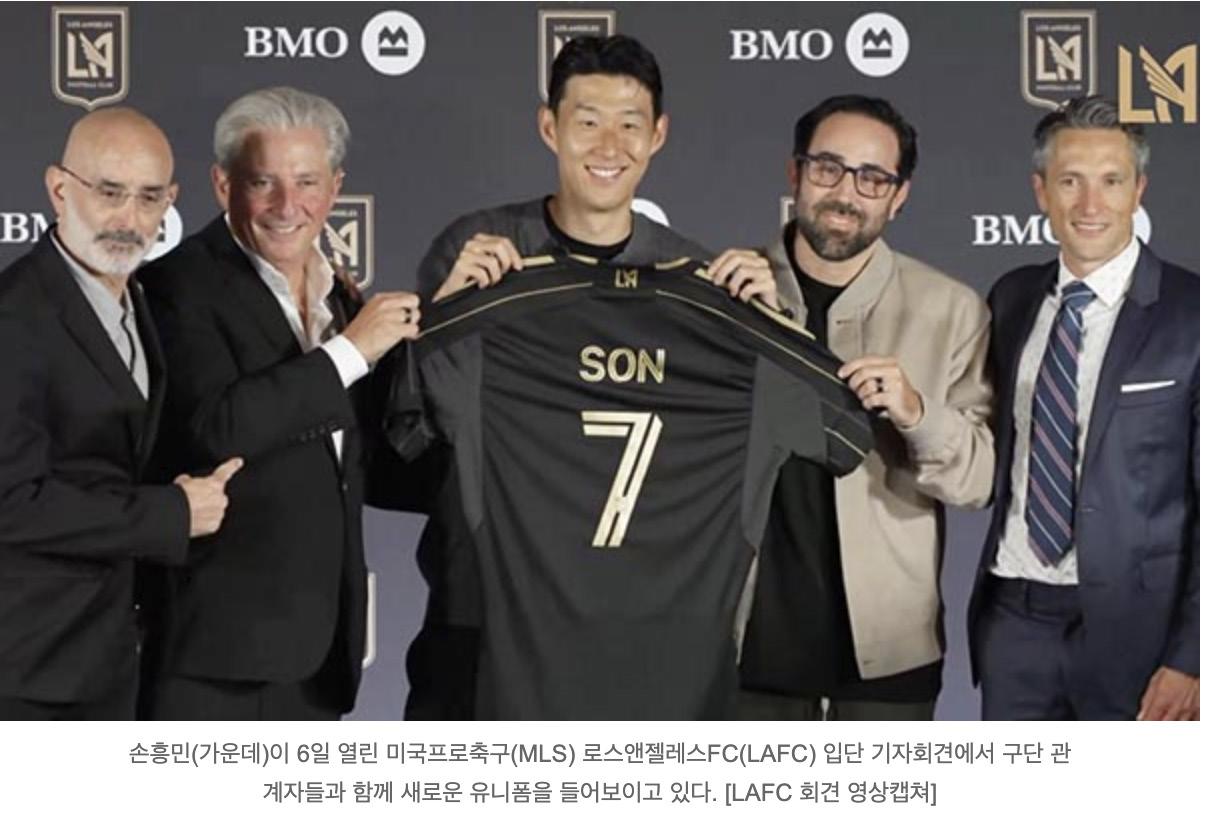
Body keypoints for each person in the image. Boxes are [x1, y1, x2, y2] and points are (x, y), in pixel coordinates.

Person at [406, 33, 776, 718]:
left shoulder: (697, 284)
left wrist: (768, 326)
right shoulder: (476, 252)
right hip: (483, 609)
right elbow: (407, 429)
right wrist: (440, 319)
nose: (609, 145)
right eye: (588, 121)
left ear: (658, 135)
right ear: (550, 127)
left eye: (630, 124)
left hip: (642, 619)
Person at [139, 87, 421, 720]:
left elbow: (357, 459)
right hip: (220, 661)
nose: (287, 206)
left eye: (306, 182)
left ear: (335, 187)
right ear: (223, 185)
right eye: (262, 182)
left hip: (319, 656)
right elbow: (215, 428)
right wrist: (351, 350)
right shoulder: (174, 285)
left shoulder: (338, 295)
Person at [737, 95, 994, 721]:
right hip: (742, 650)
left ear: (898, 196)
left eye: (872, 178)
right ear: (795, 173)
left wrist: (916, 412)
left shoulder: (952, 309)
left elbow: (979, 481)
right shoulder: (726, 293)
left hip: (890, 656)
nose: (846, 193)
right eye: (828, 167)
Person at [0, 107, 239, 720]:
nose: (129, 220)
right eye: (109, 193)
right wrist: (171, 514)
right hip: (30, 669)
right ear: (59, 189)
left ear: (171, 202)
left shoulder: (141, 297)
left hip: (115, 656)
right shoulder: (14, 317)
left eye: (149, 197)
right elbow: (10, 501)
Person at [968, 95, 1198, 721]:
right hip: (1014, 621)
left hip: (1142, 633)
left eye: (1111, 181)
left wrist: (1192, 655)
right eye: (1070, 181)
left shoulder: (1192, 312)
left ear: (1138, 190)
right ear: (1041, 191)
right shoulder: (1012, 297)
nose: (1090, 205)